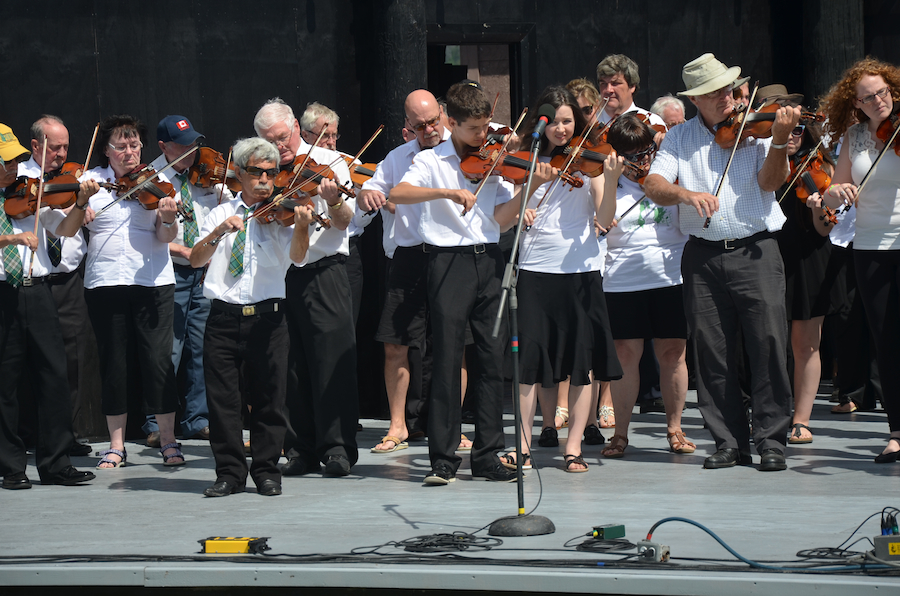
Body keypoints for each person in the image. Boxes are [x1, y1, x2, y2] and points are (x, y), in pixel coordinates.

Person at [644, 53, 799, 472]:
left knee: (767, 344)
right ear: (697, 99)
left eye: (729, 89)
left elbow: (770, 183)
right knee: (712, 351)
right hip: (703, 255)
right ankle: (728, 440)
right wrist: (685, 195)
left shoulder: (757, 129)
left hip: (755, 249)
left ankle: (771, 440)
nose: (728, 99)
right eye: (716, 94)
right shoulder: (679, 138)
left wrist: (780, 141)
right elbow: (654, 183)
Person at [391, 81, 524, 484]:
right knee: (448, 359)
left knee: (490, 360)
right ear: (452, 123)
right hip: (447, 263)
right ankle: (443, 459)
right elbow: (398, 192)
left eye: (486, 128)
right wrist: (447, 191)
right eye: (474, 130)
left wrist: (530, 186)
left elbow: (500, 220)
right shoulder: (432, 160)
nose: (483, 137)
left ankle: (488, 455)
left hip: (489, 260)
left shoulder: (492, 158)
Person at [499, 86, 621, 473]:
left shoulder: (591, 161)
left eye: (570, 121)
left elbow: (603, 217)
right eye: (556, 122)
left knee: (580, 366)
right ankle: (522, 447)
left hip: (581, 272)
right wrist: (529, 197)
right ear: (542, 122)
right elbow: (504, 218)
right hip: (535, 270)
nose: (563, 129)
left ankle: (573, 448)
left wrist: (613, 180)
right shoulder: (526, 159)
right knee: (529, 367)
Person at [190, 137, 312, 497]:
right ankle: (229, 473)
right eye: (256, 172)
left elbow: (300, 258)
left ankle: (266, 471)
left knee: (270, 398)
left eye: (271, 173)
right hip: (223, 318)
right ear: (240, 174)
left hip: (268, 319)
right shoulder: (218, 212)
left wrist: (303, 225)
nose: (264, 180)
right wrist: (217, 233)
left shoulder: (282, 214)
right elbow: (196, 259)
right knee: (223, 401)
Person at [253, 98, 359, 477]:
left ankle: (338, 448)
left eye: (282, 138)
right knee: (290, 365)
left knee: (331, 361)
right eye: (268, 139)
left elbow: (345, 220)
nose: (278, 147)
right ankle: (299, 447)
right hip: (279, 275)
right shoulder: (263, 169)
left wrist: (332, 203)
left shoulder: (329, 163)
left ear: (297, 128)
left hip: (322, 270)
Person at [81, 115, 184, 469]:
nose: (129, 152)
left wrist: (168, 219)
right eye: (121, 146)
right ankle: (116, 444)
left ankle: (168, 439)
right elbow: (68, 227)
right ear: (106, 151)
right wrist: (80, 209)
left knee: (158, 362)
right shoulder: (90, 183)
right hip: (105, 282)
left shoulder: (160, 182)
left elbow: (165, 237)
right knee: (114, 363)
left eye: (135, 145)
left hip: (153, 283)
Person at [0, 122, 98, 489]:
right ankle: (10, 467)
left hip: (36, 289)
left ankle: (55, 463)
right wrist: (10, 236)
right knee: (6, 384)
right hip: (2, 292)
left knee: (54, 375)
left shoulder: (31, 192)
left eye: (15, 162)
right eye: (5, 162)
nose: (13, 169)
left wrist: (82, 201)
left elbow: (67, 229)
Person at [357, 90, 449, 453]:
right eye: (420, 126)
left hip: (449, 257)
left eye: (433, 122)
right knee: (395, 343)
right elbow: (371, 187)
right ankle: (397, 426)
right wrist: (368, 195)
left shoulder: (459, 151)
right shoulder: (398, 158)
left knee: (450, 346)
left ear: (443, 115)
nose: (429, 130)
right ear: (407, 128)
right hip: (409, 257)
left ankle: (450, 425)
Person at [819, 57, 900, 463]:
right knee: (886, 339)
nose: (879, 101)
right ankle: (897, 430)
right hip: (871, 246)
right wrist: (836, 194)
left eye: (883, 93)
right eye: (869, 98)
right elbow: (835, 189)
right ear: (857, 104)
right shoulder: (854, 137)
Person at [597, 113, 692, 458]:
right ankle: (620, 434)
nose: (644, 162)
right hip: (623, 278)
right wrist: (610, 181)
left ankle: (675, 428)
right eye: (634, 156)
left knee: (672, 354)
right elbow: (603, 223)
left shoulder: (668, 175)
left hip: (672, 274)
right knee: (625, 356)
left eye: (648, 152)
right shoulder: (609, 180)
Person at [143, 115, 233, 447]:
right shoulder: (150, 180)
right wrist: (183, 250)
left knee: (202, 347)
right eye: (182, 146)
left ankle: (198, 419)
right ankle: (156, 422)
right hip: (170, 271)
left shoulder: (207, 175)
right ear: (164, 147)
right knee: (169, 349)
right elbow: (144, 235)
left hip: (206, 271)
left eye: (194, 143)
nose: (191, 151)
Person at [775, 116, 843, 445]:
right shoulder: (767, 161)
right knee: (771, 342)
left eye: (798, 130)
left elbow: (824, 229)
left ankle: (801, 418)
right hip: (770, 256)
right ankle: (773, 411)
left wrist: (819, 210)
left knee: (805, 343)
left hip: (808, 259)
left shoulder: (821, 168)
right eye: (785, 129)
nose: (791, 135)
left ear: (807, 132)